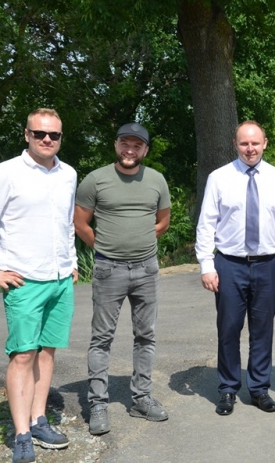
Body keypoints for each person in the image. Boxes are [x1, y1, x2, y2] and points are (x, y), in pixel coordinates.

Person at [195, 121, 275, 416]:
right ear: (235, 144)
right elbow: (206, 224)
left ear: (265, 143)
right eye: (244, 143)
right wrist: (206, 264)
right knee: (228, 328)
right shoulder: (219, 178)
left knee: (262, 330)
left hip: (267, 264)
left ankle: (259, 389)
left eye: (255, 143)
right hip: (229, 264)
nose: (250, 148)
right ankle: (228, 388)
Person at [74, 123, 171, 436]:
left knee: (146, 336)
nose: (130, 150)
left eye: (137, 145)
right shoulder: (96, 180)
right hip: (108, 269)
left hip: (147, 268)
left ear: (145, 150)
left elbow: (163, 221)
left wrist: (140, 238)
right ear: (116, 145)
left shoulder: (156, 179)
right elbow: (80, 223)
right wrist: (104, 248)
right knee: (101, 338)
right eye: (125, 144)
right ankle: (98, 403)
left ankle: (141, 398)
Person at [0, 108, 77, 462]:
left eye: (54, 135)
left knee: (47, 351)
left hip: (60, 280)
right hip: (24, 280)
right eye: (40, 134)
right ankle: (22, 435)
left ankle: (39, 419)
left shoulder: (68, 174)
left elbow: (66, 223)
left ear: (60, 138)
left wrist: (71, 262)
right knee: (23, 355)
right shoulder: (6, 173)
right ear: (26, 134)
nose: (47, 140)